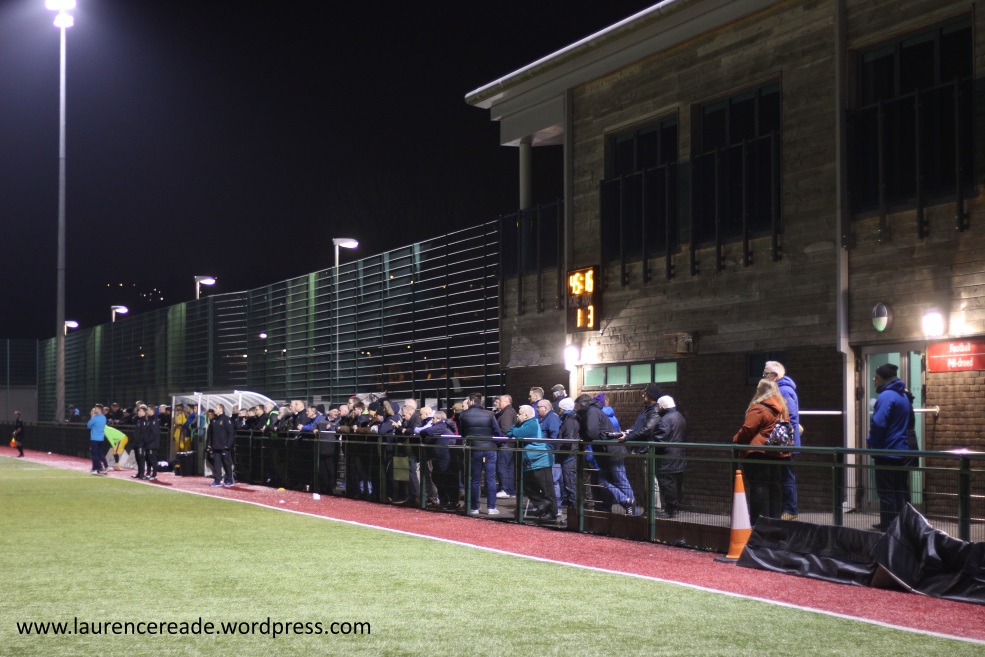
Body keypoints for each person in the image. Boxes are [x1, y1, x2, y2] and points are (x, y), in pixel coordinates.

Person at [732, 379, 789, 524]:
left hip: (758, 452)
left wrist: (736, 439)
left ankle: (759, 521)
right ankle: (774, 520)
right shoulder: (782, 408)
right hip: (776, 452)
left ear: (760, 390)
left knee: (758, 485)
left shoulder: (758, 408)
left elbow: (748, 429)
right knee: (775, 486)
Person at [867, 363, 913, 530]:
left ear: (880, 378)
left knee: (886, 492)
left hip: (886, 451)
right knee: (899, 491)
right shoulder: (903, 396)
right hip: (901, 450)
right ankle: (902, 526)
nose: (873, 380)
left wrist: (871, 441)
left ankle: (888, 527)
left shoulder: (886, 396)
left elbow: (879, 423)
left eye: (875, 377)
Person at [577, 393, 635, 513]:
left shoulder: (591, 412)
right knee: (607, 481)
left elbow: (592, 433)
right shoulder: (593, 412)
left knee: (619, 481)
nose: (575, 408)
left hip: (611, 452)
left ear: (581, 404)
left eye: (576, 405)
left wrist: (583, 435)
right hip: (608, 451)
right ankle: (627, 502)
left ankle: (631, 507)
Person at [763, 361, 801, 521]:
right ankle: (787, 509)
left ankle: (790, 510)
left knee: (786, 476)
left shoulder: (783, 390)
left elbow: (790, 416)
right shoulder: (782, 389)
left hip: (785, 442)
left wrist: (788, 439)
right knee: (784, 476)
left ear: (775, 375)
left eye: (766, 373)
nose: (763, 376)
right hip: (785, 441)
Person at [508, 405, 557, 520]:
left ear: (526, 416)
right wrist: (515, 429)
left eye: (519, 413)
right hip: (531, 462)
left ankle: (552, 513)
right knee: (526, 486)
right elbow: (509, 432)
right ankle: (542, 504)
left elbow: (516, 433)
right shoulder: (523, 424)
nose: (517, 415)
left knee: (546, 488)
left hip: (541, 460)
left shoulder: (532, 424)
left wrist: (514, 430)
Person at [459, 391, 502, 516]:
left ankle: (475, 507)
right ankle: (491, 507)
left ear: (471, 401)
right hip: (490, 449)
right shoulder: (490, 414)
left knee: (475, 480)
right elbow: (497, 433)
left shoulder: (463, 415)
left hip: (474, 449)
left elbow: (462, 433)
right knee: (490, 478)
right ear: (480, 401)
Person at [650, 396, 687, 518]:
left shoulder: (665, 419)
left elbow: (660, 438)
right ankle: (674, 508)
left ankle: (670, 510)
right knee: (676, 483)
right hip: (679, 455)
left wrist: (650, 444)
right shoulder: (679, 416)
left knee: (667, 483)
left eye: (658, 406)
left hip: (667, 457)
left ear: (662, 406)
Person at [419, 411, 459, 510]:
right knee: (440, 477)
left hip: (443, 456)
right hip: (443, 456)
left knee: (441, 478)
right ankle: (447, 501)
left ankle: (448, 501)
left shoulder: (440, 426)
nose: (432, 420)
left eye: (433, 418)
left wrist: (426, 439)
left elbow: (424, 432)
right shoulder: (445, 426)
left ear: (439, 419)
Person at [555, 398, 580, 511]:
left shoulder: (569, 421)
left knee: (570, 485)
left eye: (560, 409)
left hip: (569, 456)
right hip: (570, 455)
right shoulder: (572, 419)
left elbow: (568, 440)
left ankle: (573, 512)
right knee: (570, 484)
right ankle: (573, 511)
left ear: (564, 409)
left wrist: (560, 447)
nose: (558, 411)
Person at [493, 395, 517, 499]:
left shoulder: (507, 413)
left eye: (500, 400)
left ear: (506, 401)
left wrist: (499, 442)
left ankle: (505, 489)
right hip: (509, 444)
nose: (498, 402)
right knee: (509, 468)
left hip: (505, 445)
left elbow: (505, 430)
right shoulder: (510, 411)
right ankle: (510, 490)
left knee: (503, 467)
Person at [207, 403, 235, 488]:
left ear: (221, 409)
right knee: (216, 465)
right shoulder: (214, 420)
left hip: (224, 447)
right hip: (216, 447)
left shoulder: (226, 419)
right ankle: (217, 480)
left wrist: (228, 445)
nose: (214, 409)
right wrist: (209, 443)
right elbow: (210, 433)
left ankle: (229, 480)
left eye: (216, 408)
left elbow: (231, 433)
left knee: (227, 464)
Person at [87, 406, 108, 475]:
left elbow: (88, 425)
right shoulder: (104, 417)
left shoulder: (95, 418)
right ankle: (104, 467)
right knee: (100, 453)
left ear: (99, 409)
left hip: (94, 438)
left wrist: (92, 417)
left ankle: (97, 469)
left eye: (96, 409)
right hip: (101, 438)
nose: (95, 410)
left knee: (94, 454)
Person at [143, 405, 161, 480]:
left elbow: (154, 433)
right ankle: (148, 473)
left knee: (152, 459)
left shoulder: (155, 420)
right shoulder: (149, 419)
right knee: (147, 459)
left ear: (152, 410)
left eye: (148, 410)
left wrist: (147, 440)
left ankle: (154, 474)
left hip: (152, 444)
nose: (147, 411)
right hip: (148, 443)